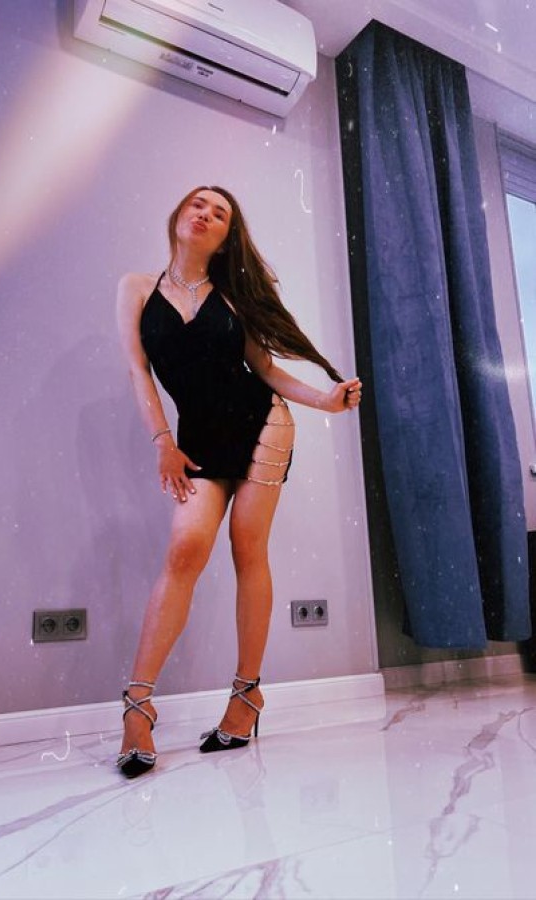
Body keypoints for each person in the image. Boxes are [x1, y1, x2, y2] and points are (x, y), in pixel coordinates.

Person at [115, 185, 361, 778]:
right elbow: (139, 373)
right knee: (185, 549)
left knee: (248, 549)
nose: (205, 213)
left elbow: (266, 370)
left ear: (227, 237)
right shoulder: (136, 288)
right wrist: (164, 444)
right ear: (178, 215)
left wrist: (327, 401)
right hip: (196, 440)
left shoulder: (231, 296)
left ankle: (246, 696)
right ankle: (137, 705)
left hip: (261, 424)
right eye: (197, 204)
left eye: (219, 212)